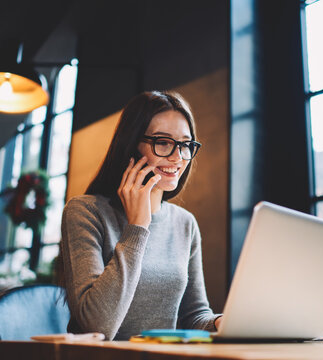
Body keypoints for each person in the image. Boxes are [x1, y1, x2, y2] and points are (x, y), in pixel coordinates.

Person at [58, 90, 222, 341]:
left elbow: (194, 315)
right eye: (163, 142)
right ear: (132, 145)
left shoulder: (184, 223)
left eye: (186, 144)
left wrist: (223, 322)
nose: (178, 157)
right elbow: (98, 327)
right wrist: (137, 227)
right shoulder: (85, 212)